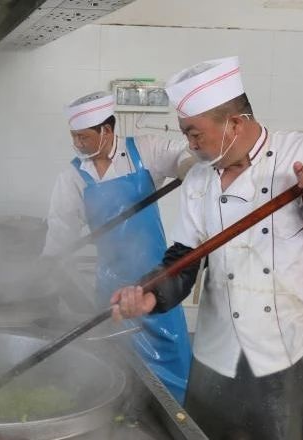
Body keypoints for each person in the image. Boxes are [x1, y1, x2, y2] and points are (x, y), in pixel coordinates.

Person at [110, 56, 303, 439]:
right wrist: (153, 295)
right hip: (218, 348)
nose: (190, 144)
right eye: (185, 134)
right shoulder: (199, 180)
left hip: (290, 346)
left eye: (195, 133)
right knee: (208, 433)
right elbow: (184, 258)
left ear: (235, 123)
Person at [43, 91, 194, 403]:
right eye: (74, 137)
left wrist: (190, 166)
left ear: (106, 131)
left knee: (173, 359)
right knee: (118, 366)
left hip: (157, 279)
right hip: (112, 284)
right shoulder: (72, 177)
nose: (78, 144)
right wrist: (48, 266)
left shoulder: (144, 150)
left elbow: (183, 155)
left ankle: (175, 415)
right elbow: (61, 229)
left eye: (84, 137)